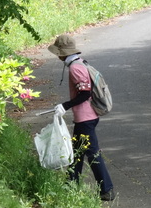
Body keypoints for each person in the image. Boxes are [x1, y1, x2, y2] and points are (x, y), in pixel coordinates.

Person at [48, 34, 115, 201]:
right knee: (77, 153)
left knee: (93, 154)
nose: (57, 56)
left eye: (58, 52)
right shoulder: (79, 62)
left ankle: (107, 190)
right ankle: (70, 184)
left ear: (63, 52)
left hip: (86, 118)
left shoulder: (75, 68)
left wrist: (65, 106)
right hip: (84, 117)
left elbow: (84, 93)